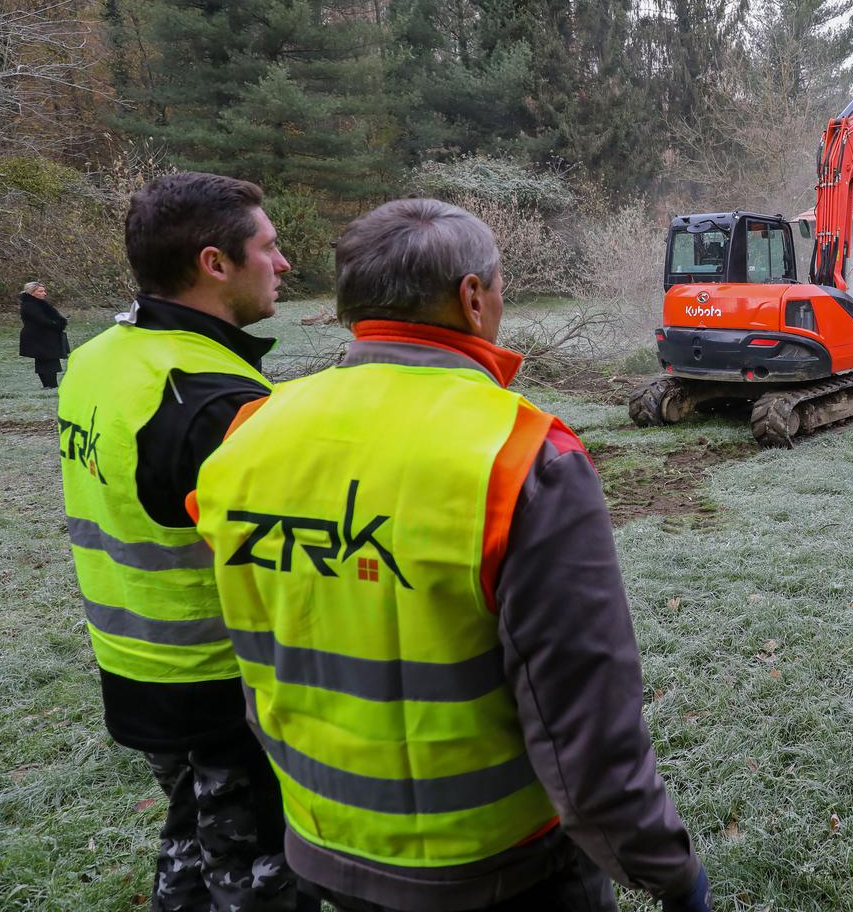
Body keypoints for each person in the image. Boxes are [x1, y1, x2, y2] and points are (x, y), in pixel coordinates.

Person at [190, 198, 710, 912]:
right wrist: (669, 872)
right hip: (497, 873)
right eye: (500, 285)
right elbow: (585, 733)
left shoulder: (248, 434)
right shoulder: (523, 458)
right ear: (473, 298)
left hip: (320, 843)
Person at [57, 172, 309, 912]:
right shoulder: (213, 404)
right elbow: (288, 565)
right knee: (261, 875)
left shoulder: (101, 357)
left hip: (133, 666)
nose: (284, 263)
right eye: (269, 246)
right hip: (219, 685)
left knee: (195, 837)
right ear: (215, 263)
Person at [19, 281, 69, 388]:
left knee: (47, 362)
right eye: (40, 291)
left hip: (43, 337)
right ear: (32, 292)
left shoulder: (36, 304)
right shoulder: (30, 305)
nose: (44, 293)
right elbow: (42, 320)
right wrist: (56, 324)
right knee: (47, 362)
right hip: (39, 338)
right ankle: (50, 385)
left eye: (44, 291)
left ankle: (49, 385)